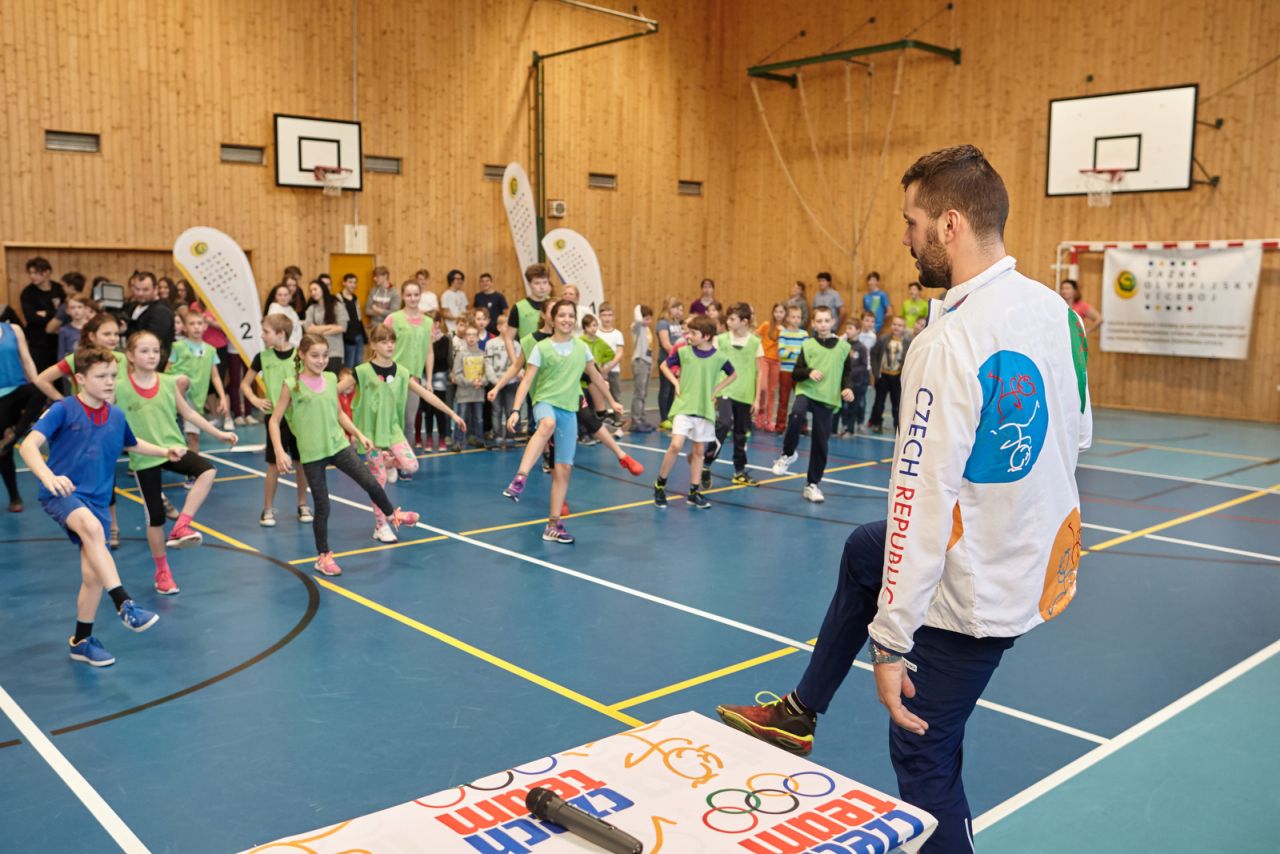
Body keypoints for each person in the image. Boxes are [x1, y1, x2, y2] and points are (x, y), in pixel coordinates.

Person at [718, 144, 1093, 853]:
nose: (905, 238)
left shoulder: (947, 342)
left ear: (950, 224)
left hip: (978, 589)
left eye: (911, 222)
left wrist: (890, 641)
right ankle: (801, 711)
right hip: (1041, 562)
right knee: (865, 551)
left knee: (923, 752)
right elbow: (1077, 436)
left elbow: (920, 504)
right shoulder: (1058, 313)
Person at [20, 346, 183, 666]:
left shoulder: (117, 415)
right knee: (92, 529)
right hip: (62, 492)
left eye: (113, 376)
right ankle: (125, 604)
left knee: (94, 576)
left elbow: (132, 444)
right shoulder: (63, 409)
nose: (110, 382)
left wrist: (165, 451)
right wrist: (48, 476)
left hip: (96, 499)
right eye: (101, 376)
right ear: (80, 379)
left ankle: (81, 641)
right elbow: (28, 446)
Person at [270, 333, 420, 576]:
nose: (321, 360)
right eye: (315, 356)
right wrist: (279, 450)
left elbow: (339, 413)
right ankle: (323, 557)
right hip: (312, 453)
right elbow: (274, 420)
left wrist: (359, 434)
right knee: (323, 506)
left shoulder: (331, 379)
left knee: (370, 482)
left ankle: (394, 515)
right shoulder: (292, 384)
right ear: (302, 355)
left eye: (325, 356)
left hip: (338, 446)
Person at [117, 330, 238, 594]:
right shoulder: (120, 387)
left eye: (155, 351)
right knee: (155, 518)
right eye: (144, 351)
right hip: (145, 455)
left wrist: (218, 434)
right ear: (130, 356)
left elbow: (189, 413)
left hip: (174, 448)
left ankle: (182, 524)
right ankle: (162, 572)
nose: (152, 356)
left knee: (207, 470)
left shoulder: (168, 382)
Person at [501, 300, 622, 544]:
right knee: (547, 424)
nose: (567, 319)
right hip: (545, 402)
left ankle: (553, 526)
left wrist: (612, 401)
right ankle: (520, 478)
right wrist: (515, 410)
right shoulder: (541, 347)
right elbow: (526, 381)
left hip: (569, 409)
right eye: (562, 315)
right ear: (552, 319)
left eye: (570, 315)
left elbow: (595, 376)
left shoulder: (581, 347)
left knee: (564, 469)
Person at [354, 325, 464, 542]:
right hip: (371, 434)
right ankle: (380, 526)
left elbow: (426, 394)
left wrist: (452, 413)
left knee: (411, 465)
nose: (389, 345)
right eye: (384, 341)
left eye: (392, 341)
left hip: (392, 429)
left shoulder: (402, 372)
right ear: (373, 345)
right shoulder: (362, 372)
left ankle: (387, 461)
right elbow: (333, 391)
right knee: (379, 480)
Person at [33, 312, 130, 547]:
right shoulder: (76, 359)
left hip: (108, 424)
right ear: (92, 336)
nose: (113, 338)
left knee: (106, 477)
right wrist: (63, 402)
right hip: (83, 427)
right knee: (86, 477)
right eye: (107, 333)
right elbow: (41, 379)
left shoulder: (120, 358)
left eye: (116, 334)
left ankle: (110, 526)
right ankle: (102, 528)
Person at [770, 305, 855, 502]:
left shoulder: (843, 348)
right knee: (797, 413)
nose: (823, 324)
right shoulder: (808, 345)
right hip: (807, 391)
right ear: (813, 324)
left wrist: (848, 388)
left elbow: (847, 374)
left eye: (826, 320)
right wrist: (809, 372)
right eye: (819, 321)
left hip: (828, 397)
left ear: (833, 322)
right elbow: (796, 373)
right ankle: (787, 454)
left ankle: (812, 485)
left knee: (820, 443)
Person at [652, 315, 736, 510]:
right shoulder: (684, 352)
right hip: (684, 406)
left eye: (693, 333)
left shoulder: (719, 357)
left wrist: (716, 390)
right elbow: (664, 365)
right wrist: (676, 383)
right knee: (676, 445)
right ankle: (660, 485)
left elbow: (733, 374)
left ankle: (693, 492)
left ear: (706, 336)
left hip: (704, 409)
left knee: (698, 451)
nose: (688, 336)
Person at [241, 314, 311, 526]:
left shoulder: (300, 355)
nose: (262, 336)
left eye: (266, 332)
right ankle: (267, 509)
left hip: (299, 418)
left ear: (280, 334)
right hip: (275, 418)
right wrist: (255, 399)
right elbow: (245, 384)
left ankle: (302, 504)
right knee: (273, 465)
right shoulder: (262, 357)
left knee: (301, 463)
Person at [702, 303, 763, 489]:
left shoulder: (755, 342)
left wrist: (757, 399)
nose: (728, 322)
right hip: (725, 389)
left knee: (741, 433)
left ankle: (739, 471)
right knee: (724, 423)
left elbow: (760, 372)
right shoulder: (720, 340)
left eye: (732, 319)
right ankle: (706, 463)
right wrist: (712, 391)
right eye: (728, 318)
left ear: (744, 321)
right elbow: (713, 365)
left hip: (745, 393)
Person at [385, 281, 434, 471]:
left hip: (413, 380)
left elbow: (429, 352)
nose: (413, 298)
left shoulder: (428, 322)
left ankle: (405, 464)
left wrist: (428, 380)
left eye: (416, 294)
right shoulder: (393, 319)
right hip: (391, 378)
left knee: (409, 422)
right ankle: (388, 462)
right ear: (403, 296)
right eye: (409, 295)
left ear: (420, 295)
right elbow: (382, 346)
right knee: (390, 421)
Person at [169, 308, 229, 460]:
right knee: (183, 380)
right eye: (192, 324)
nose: (196, 327)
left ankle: (193, 468)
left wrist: (222, 397)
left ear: (205, 326)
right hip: (175, 394)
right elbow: (167, 371)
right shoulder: (177, 347)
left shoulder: (211, 350)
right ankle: (174, 416)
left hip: (195, 398)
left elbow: (215, 376)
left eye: (199, 323)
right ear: (184, 327)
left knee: (194, 437)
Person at [0, 319, 41, 513]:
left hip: (18, 389)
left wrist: (37, 383)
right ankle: (14, 496)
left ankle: (15, 434)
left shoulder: (13, 329)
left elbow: (27, 360)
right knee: (4, 452)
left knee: (40, 392)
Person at [20, 256, 66, 371]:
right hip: (38, 342)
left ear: (47, 273)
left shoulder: (59, 289)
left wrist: (47, 313)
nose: (32, 276)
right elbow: (31, 318)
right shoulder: (27, 293)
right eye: (30, 273)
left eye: (36, 273)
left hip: (58, 341)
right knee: (40, 375)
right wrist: (55, 317)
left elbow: (66, 312)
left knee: (60, 375)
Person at [122, 272, 177, 364]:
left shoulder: (161, 311)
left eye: (145, 290)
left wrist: (126, 330)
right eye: (137, 289)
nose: (140, 293)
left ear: (155, 289)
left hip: (154, 362)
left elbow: (152, 340)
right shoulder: (132, 306)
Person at [868, 316, 911, 434]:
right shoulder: (883, 339)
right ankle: (877, 423)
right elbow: (874, 354)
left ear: (904, 328)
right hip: (883, 376)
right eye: (894, 324)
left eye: (900, 325)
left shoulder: (908, 343)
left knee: (897, 404)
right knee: (879, 402)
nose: (896, 327)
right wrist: (876, 371)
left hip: (897, 377)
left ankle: (897, 425)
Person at [450, 324, 487, 450]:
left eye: (474, 335)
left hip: (478, 393)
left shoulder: (482, 354)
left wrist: (482, 381)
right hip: (464, 393)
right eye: (469, 335)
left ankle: (479, 439)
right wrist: (471, 382)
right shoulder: (460, 354)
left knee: (479, 418)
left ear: (478, 337)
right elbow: (457, 374)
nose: (471, 337)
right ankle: (458, 441)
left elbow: (487, 374)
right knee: (461, 417)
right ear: (465, 337)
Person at [485, 314, 519, 448]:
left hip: (511, 383)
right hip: (495, 383)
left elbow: (518, 365)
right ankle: (498, 435)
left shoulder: (516, 345)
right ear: (499, 327)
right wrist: (495, 381)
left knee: (511, 410)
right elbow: (488, 364)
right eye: (506, 326)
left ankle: (510, 436)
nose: (509, 329)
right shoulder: (491, 344)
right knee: (496, 410)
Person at [302, 280, 349, 374]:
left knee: (332, 379)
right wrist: (331, 326)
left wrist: (317, 329)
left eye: (315, 289)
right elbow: (308, 329)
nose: (313, 293)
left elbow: (342, 327)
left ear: (323, 289)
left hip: (334, 351)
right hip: (316, 351)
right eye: (311, 290)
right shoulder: (311, 308)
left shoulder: (336, 305)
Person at [774, 304, 808, 433]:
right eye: (793, 317)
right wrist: (797, 354)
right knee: (783, 400)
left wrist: (791, 352)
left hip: (799, 372)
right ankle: (780, 426)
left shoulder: (804, 334)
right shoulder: (783, 333)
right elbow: (781, 352)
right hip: (785, 371)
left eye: (798, 317)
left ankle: (803, 426)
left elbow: (806, 353)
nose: (796, 320)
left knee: (801, 400)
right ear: (787, 318)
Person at [837, 319, 872, 437]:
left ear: (858, 330)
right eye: (846, 328)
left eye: (850, 328)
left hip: (856, 383)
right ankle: (844, 426)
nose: (847, 331)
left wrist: (850, 372)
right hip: (844, 382)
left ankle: (850, 430)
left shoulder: (861, 347)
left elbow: (864, 365)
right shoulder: (842, 345)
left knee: (853, 406)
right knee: (842, 406)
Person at [655, 298, 685, 429]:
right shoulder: (662, 323)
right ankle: (664, 418)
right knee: (665, 388)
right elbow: (666, 344)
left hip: (675, 360)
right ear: (668, 308)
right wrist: (677, 355)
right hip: (666, 359)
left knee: (673, 388)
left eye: (679, 308)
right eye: (675, 308)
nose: (678, 311)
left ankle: (670, 414)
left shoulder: (676, 323)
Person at [754, 303, 785, 431]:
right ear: (773, 313)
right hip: (764, 358)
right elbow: (755, 335)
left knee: (772, 391)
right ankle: (760, 413)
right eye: (776, 311)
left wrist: (784, 332)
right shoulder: (766, 325)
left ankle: (769, 420)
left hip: (776, 361)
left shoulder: (785, 330)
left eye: (781, 312)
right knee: (763, 388)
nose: (778, 314)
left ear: (785, 314)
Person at [596, 303, 625, 429]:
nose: (607, 318)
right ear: (599, 317)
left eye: (609, 315)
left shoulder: (617, 334)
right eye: (604, 315)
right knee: (597, 397)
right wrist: (600, 369)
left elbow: (619, 354)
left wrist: (607, 368)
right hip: (597, 372)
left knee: (616, 396)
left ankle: (619, 423)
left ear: (613, 317)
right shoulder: (596, 333)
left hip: (613, 371)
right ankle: (598, 423)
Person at [629, 304, 655, 432]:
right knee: (639, 393)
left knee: (644, 393)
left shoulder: (647, 329)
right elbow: (638, 320)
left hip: (647, 362)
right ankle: (636, 421)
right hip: (640, 362)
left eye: (650, 318)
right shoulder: (636, 327)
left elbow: (649, 348)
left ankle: (642, 418)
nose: (648, 321)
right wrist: (638, 307)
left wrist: (651, 362)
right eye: (646, 318)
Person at [338, 273, 366, 369]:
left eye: (355, 282)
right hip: (348, 337)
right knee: (348, 365)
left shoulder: (355, 297)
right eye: (350, 282)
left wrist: (363, 335)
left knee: (359, 363)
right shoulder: (338, 298)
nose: (353, 285)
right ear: (344, 283)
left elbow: (359, 317)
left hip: (358, 335)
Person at [58, 293, 97, 362]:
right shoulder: (64, 330)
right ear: (67, 311)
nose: (76, 310)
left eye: (79, 307)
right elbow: (61, 355)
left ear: (86, 309)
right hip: (72, 365)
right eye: (72, 307)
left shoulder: (94, 327)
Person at [265, 283, 303, 347]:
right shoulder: (274, 308)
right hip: (281, 345)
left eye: (285, 295)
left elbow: (297, 326)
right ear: (276, 296)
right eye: (280, 295)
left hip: (296, 344)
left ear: (290, 296)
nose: (283, 297)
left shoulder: (291, 309)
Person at [472, 273, 508, 337]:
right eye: (482, 281)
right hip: (481, 329)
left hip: (496, 330)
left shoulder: (499, 296)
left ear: (491, 283)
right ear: (480, 284)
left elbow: (506, 313)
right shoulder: (478, 296)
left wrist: (502, 326)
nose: (485, 283)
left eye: (487, 281)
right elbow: (474, 311)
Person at [441, 269, 469, 334]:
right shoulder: (445, 295)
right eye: (458, 279)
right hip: (452, 328)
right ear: (451, 280)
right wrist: (459, 318)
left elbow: (466, 310)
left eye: (461, 279)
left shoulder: (462, 294)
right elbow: (445, 314)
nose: (460, 281)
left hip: (465, 327)